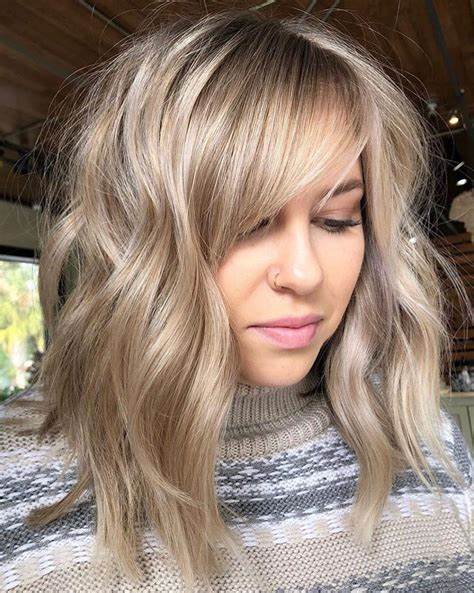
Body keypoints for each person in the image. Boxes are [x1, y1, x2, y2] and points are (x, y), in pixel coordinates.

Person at [0, 8, 472, 593]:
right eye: (249, 222)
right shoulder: (15, 480)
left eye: (336, 219)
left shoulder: (426, 443)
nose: (304, 273)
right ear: (137, 234)